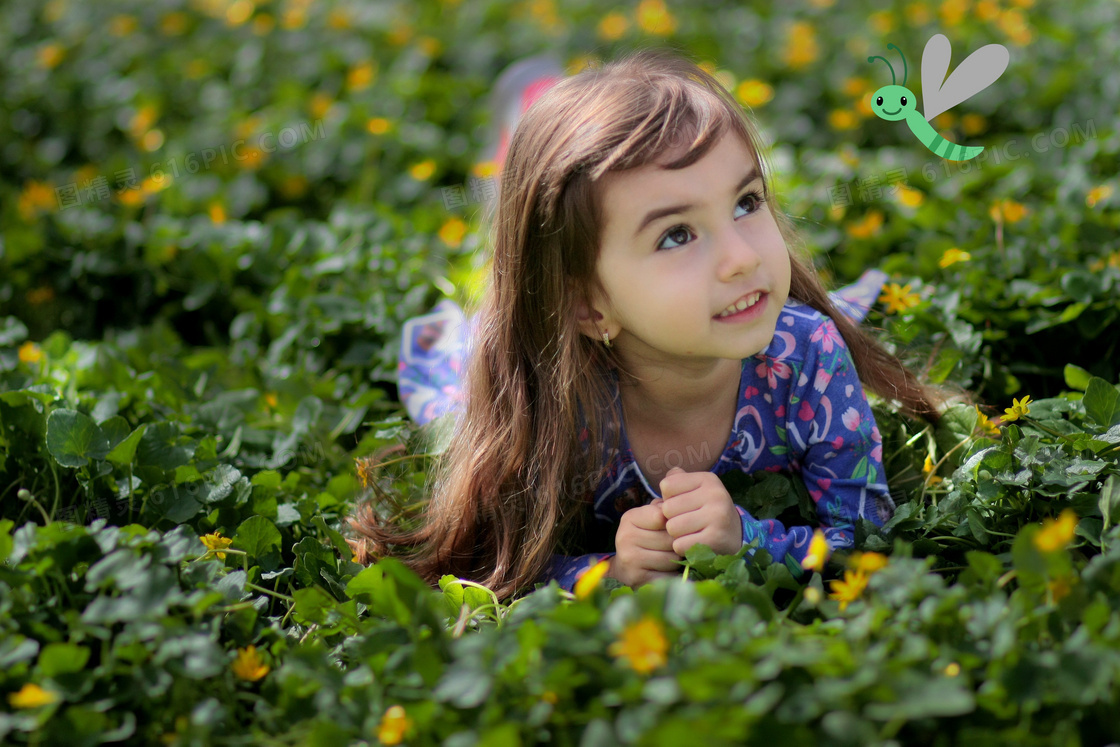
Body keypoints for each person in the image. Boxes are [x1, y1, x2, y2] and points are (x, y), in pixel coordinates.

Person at [348, 46, 963, 602]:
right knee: (457, 388)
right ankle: (519, 139)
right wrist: (609, 572)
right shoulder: (549, 398)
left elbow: (867, 538)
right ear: (590, 308)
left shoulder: (806, 355)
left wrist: (747, 539)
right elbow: (491, 566)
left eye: (747, 202)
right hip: (518, 343)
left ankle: (540, 129)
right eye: (676, 234)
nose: (743, 257)